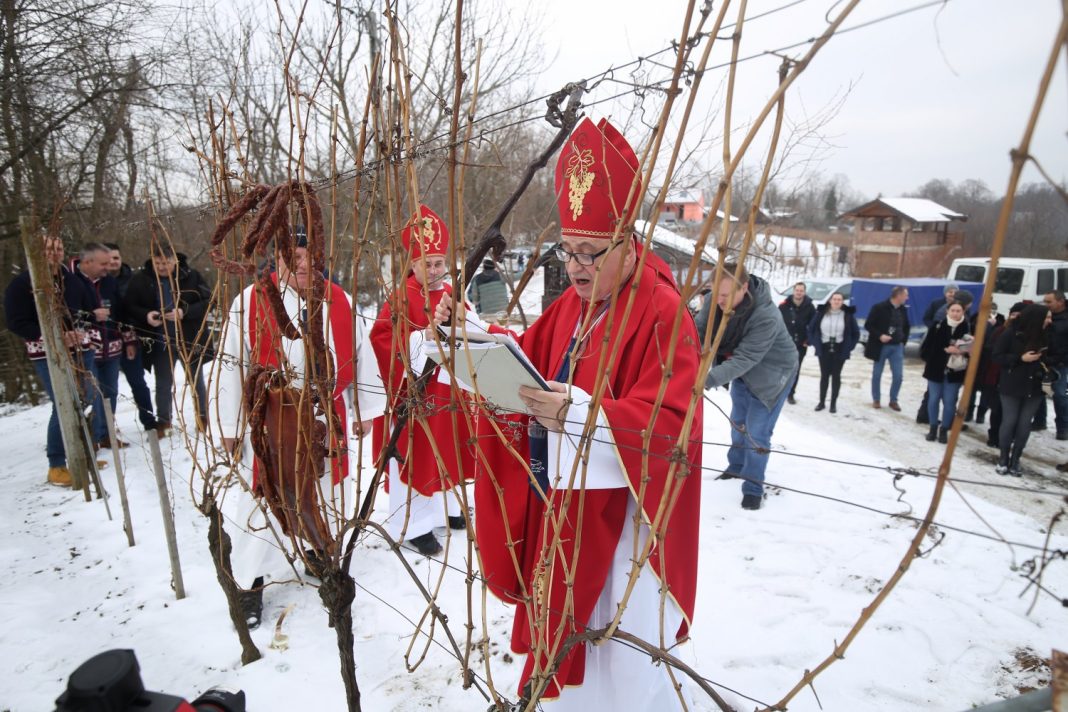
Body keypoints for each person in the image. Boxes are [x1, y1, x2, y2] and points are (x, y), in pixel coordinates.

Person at [441, 118, 702, 709]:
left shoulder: (664, 313)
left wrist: (585, 419)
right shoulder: (571, 305)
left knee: (621, 658)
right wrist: (474, 337)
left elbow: (668, 426)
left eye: (592, 253)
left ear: (629, 243)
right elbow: (527, 360)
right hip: (566, 512)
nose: (578, 266)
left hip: (625, 529)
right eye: (569, 250)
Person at [214, 228, 385, 627]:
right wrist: (228, 421)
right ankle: (249, 584)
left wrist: (363, 407)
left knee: (322, 494)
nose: (304, 266)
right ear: (280, 259)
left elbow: (360, 357)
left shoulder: (337, 299)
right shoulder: (251, 302)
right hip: (271, 422)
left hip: (324, 420)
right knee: (262, 504)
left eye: (311, 257)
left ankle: (314, 552)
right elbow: (229, 364)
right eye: (295, 259)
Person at [370, 205, 474, 557]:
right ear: (412, 265)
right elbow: (381, 341)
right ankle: (413, 524)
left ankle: (451, 509)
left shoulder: (454, 294)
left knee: (451, 451)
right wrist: (419, 343)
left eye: (439, 263)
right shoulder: (400, 299)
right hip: (417, 396)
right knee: (418, 455)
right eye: (426, 264)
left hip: (450, 391)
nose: (433, 271)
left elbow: (472, 332)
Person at [700, 263, 797, 510]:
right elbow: (698, 332)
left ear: (744, 288)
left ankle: (753, 487)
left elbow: (746, 358)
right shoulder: (715, 299)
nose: (719, 300)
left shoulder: (766, 315)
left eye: (726, 295)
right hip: (742, 369)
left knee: (757, 432)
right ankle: (735, 467)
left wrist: (705, 380)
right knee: (738, 421)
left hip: (772, 374)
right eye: (716, 293)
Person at [3, 235, 98, 486]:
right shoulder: (23, 283)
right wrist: (54, 337)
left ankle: (82, 453)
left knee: (85, 397)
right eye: (47, 248)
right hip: (47, 353)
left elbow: (88, 311)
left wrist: (81, 328)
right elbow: (16, 323)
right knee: (63, 402)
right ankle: (56, 463)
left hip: (81, 349)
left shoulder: (72, 280)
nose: (53, 253)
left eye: (58, 248)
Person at [124, 243, 211, 435]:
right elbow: (130, 306)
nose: (162, 267)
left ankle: (203, 417)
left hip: (189, 338)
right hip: (159, 341)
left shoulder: (190, 275)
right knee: (163, 383)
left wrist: (184, 311)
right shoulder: (141, 280)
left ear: (174, 260)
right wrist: (147, 315)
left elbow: (208, 302)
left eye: (166, 262)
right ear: (152, 261)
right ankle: (164, 421)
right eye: (158, 263)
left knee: (196, 380)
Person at [71, 243, 129, 449]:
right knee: (92, 394)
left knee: (111, 393)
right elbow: (68, 313)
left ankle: (107, 435)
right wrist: (92, 315)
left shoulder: (109, 282)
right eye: (103, 263)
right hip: (87, 350)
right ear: (87, 262)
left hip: (111, 346)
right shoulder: (72, 281)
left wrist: (127, 338)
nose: (108, 267)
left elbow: (121, 310)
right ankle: (93, 439)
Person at [104, 242, 158, 433]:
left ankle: (149, 421)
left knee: (138, 382)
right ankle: (105, 430)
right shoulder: (96, 283)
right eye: (108, 259)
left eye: (116, 258)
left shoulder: (134, 280)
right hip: (103, 342)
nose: (113, 262)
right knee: (107, 389)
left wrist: (131, 338)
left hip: (131, 339)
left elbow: (133, 310)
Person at [992, 304, 1052, 475]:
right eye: (1046, 317)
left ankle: (1016, 458)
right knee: (1010, 420)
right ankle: (1003, 457)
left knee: (1025, 423)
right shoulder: (1012, 333)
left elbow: (1057, 356)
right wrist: (1020, 358)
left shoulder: (1048, 335)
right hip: (1012, 383)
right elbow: (996, 355)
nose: (1049, 321)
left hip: (1036, 386)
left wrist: (1049, 363)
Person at [919, 302, 971, 443]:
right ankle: (933, 427)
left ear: (963, 312)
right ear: (947, 311)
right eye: (953, 310)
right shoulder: (937, 326)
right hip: (935, 369)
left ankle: (944, 430)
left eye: (958, 311)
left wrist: (961, 352)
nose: (955, 313)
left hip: (955, 370)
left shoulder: (967, 327)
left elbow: (973, 350)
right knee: (933, 399)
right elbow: (925, 349)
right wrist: (944, 351)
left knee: (949, 401)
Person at [806, 292, 860, 413]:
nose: (836, 302)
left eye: (839, 300)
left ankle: (833, 403)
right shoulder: (821, 313)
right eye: (834, 299)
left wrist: (849, 346)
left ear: (842, 302)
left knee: (836, 376)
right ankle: (821, 402)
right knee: (824, 376)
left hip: (839, 348)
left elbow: (856, 333)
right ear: (830, 301)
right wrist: (815, 342)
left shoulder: (847, 315)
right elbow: (811, 328)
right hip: (824, 347)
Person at [865, 286, 910, 410]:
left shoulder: (903, 310)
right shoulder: (879, 308)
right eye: (906, 295)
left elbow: (906, 326)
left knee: (898, 375)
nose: (907, 297)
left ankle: (893, 400)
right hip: (881, 346)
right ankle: (876, 399)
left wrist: (903, 341)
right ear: (898, 295)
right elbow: (868, 325)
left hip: (897, 347)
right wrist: (880, 335)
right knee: (877, 374)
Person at [778, 281, 815, 405]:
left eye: (801, 291)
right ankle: (778, 391)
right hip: (784, 344)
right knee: (781, 368)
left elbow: (813, 325)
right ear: (793, 291)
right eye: (797, 290)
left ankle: (791, 393)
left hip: (800, 344)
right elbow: (777, 323)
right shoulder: (783, 306)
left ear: (804, 292)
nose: (799, 293)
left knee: (795, 370)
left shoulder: (810, 307)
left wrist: (809, 340)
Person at [1042, 290, 1068, 440]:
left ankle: (1063, 427)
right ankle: (1039, 421)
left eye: (1049, 302)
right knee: (1039, 391)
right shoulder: (1044, 316)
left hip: (1060, 363)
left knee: (1059, 394)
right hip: (1042, 360)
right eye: (1045, 301)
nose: (1046, 305)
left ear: (1060, 302)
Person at [466, 258, 509, 324]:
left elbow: (475, 298)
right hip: (502, 311)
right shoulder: (500, 276)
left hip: (486, 313)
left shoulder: (477, 279)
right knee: (503, 331)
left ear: (484, 267)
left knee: (489, 332)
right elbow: (514, 276)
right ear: (494, 267)